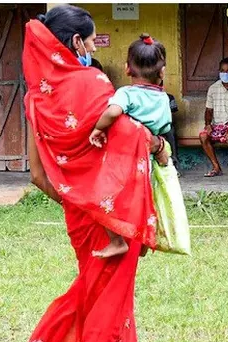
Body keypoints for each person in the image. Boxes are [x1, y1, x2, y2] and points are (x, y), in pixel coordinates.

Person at [20, 5, 163, 342]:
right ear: (78, 43)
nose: (92, 46)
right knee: (106, 312)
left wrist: (79, 202)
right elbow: (127, 139)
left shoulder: (34, 97)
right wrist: (157, 144)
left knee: (111, 305)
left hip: (81, 222)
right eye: (92, 39)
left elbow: (38, 177)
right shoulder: (95, 83)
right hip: (112, 221)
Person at [89, 33, 172, 258]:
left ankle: (117, 241)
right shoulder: (163, 99)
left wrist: (98, 127)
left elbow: (114, 111)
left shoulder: (126, 93)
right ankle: (144, 240)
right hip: (147, 162)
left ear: (127, 69)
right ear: (161, 72)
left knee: (102, 197)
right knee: (144, 200)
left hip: (123, 161)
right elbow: (164, 127)